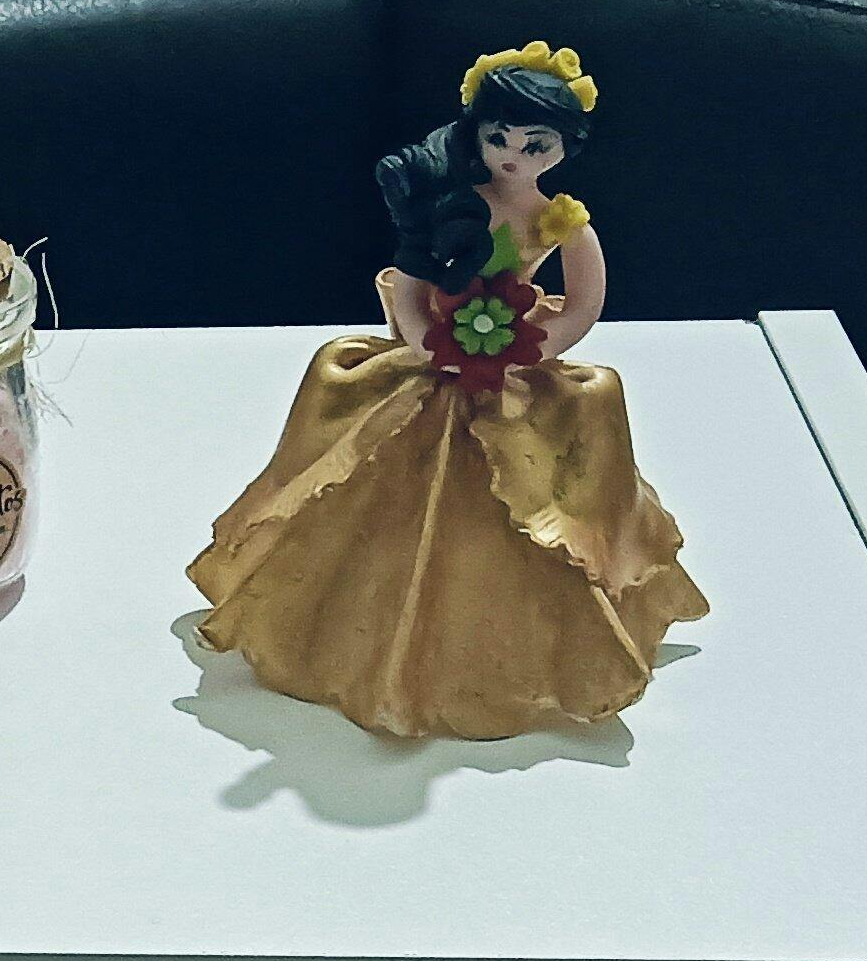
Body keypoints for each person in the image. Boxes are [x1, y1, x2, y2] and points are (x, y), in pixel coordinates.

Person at [190, 42, 705, 737]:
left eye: (535, 144)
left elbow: (584, 303)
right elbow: (409, 288)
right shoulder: (448, 205)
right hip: (435, 359)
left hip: (511, 365)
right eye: (500, 139)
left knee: (587, 408)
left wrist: (534, 349)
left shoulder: (562, 223)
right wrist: (428, 344)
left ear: (565, 148)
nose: (514, 156)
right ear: (476, 134)